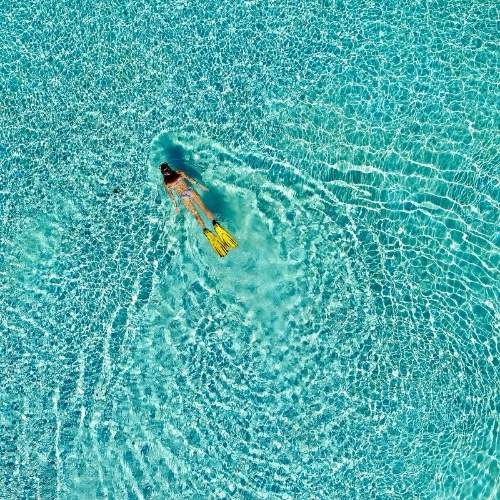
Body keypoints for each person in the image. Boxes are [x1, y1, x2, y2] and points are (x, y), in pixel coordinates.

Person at [160, 163, 237, 257]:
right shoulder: (179, 172)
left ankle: (206, 231)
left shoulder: (166, 183)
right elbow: (191, 180)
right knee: (204, 209)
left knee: (196, 214)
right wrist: (201, 186)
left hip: (184, 197)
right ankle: (216, 224)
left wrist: (176, 206)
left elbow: (171, 196)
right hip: (190, 191)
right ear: (169, 168)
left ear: (163, 173)